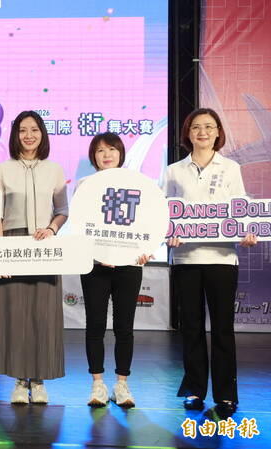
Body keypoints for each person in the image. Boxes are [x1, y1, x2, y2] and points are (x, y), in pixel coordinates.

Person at [162, 108, 256, 415]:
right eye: (196, 127)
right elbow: (163, 212)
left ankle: (226, 394)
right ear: (187, 133)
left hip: (222, 258)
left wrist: (247, 230)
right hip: (186, 258)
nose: (202, 132)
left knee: (222, 328)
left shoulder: (230, 168)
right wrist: (169, 232)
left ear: (218, 133)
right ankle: (194, 389)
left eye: (209, 126)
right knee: (190, 327)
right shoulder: (174, 171)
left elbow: (241, 207)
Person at [0, 110, 69, 404]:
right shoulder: (3, 169)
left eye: (34, 129)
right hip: (12, 243)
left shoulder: (54, 170)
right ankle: (20, 381)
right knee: (16, 314)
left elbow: (62, 211)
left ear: (42, 134)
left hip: (44, 245)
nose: (29, 135)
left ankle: (40, 379)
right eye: (23, 130)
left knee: (43, 314)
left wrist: (51, 229)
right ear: (15, 135)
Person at [79, 132, 152, 408]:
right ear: (93, 157)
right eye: (100, 150)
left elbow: (147, 223)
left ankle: (122, 384)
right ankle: (97, 384)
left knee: (124, 327)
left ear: (121, 153)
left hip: (128, 265)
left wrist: (145, 248)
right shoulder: (84, 185)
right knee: (95, 325)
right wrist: (97, 253)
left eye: (111, 149)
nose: (106, 154)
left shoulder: (136, 183)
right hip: (94, 266)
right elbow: (80, 226)